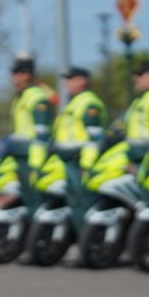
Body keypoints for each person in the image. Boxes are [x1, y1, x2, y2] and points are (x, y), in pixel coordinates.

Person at [52, 66, 107, 231]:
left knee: (85, 202)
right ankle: (82, 240)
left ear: (83, 81)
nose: (67, 83)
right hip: (69, 160)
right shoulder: (73, 102)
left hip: (80, 162)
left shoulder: (89, 103)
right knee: (75, 203)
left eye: (71, 79)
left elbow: (94, 138)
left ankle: (88, 241)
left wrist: (87, 165)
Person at [7, 56, 54, 213]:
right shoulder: (21, 98)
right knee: (28, 201)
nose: (12, 77)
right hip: (22, 157)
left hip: (32, 160)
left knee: (36, 203)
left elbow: (41, 136)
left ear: (26, 75)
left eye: (16, 73)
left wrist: (36, 166)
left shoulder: (37, 98)